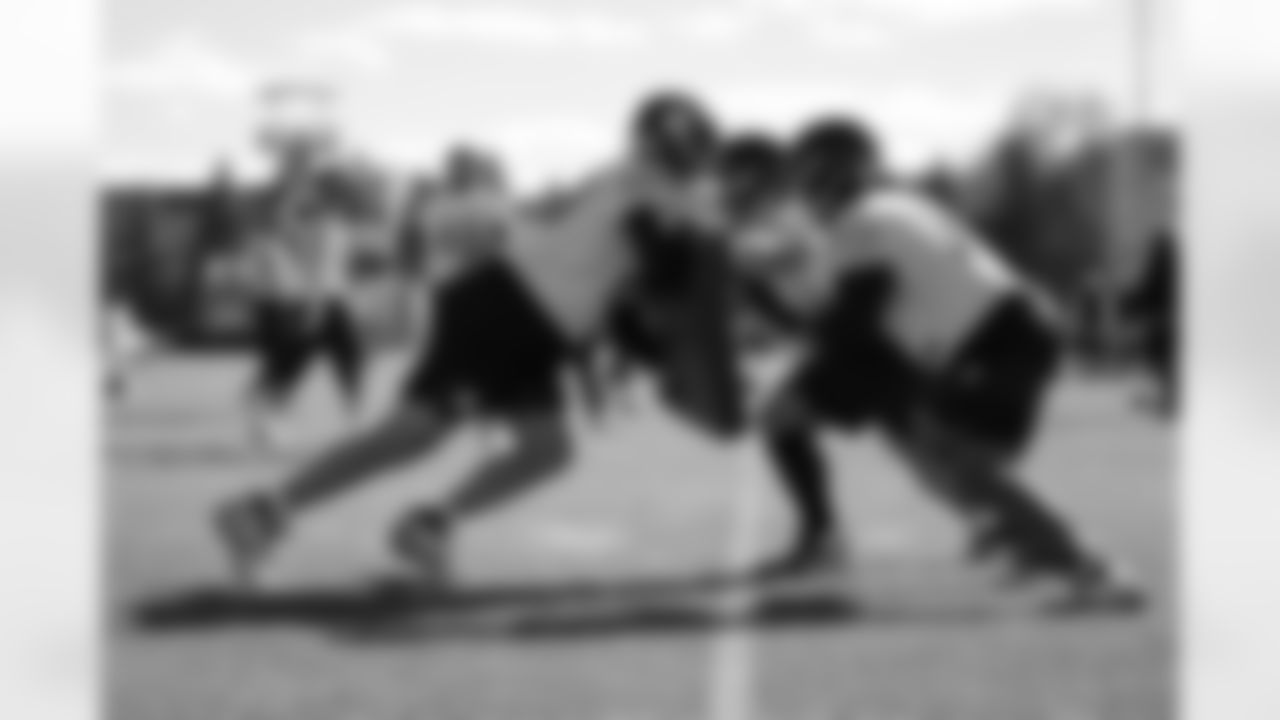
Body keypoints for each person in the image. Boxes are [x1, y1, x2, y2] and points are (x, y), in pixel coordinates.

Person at [214, 89, 742, 588]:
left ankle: (427, 529)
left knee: (545, 451)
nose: (678, 147)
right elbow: (665, 268)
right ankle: (262, 513)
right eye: (675, 138)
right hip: (508, 309)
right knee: (414, 432)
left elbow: (636, 275)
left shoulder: (641, 179)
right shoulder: (649, 184)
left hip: (535, 322)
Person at [730, 118, 1136, 606]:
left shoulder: (862, 221)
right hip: (1006, 333)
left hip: (997, 341)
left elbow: (858, 318)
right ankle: (1028, 545)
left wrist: (785, 326)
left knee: (961, 464)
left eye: (806, 176)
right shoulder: (893, 206)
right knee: (938, 454)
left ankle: (1090, 570)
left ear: (823, 175)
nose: (803, 192)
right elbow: (868, 316)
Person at [242, 169, 367, 448]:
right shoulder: (301, 225)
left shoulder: (336, 224)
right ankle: (263, 419)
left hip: (332, 300)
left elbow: (337, 265)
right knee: (291, 365)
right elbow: (316, 268)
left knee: (350, 357)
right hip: (309, 301)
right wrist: (314, 307)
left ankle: (353, 421)